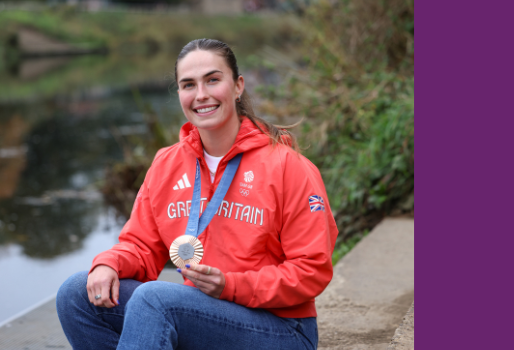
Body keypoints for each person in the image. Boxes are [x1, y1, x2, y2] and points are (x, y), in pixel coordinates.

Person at [56, 38, 338, 349]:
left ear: (238, 86)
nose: (201, 94)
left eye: (213, 80)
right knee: (76, 294)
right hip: (202, 314)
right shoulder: (167, 163)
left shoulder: (288, 166)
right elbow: (141, 246)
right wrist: (109, 263)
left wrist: (231, 285)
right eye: (188, 85)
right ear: (179, 93)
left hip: (281, 328)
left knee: (155, 300)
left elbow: (311, 270)